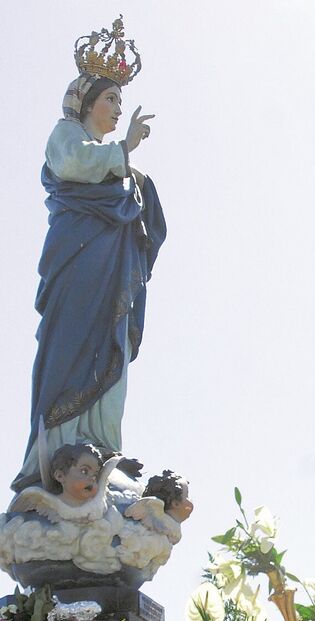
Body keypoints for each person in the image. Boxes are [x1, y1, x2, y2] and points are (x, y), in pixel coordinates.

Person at [12, 17, 167, 491]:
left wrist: (137, 182)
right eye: (110, 98)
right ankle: (61, 449)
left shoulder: (120, 167)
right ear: (85, 102)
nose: (118, 108)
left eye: (120, 99)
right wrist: (123, 154)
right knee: (73, 344)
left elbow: (139, 212)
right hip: (78, 264)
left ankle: (101, 449)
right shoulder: (66, 137)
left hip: (114, 272)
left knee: (110, 343)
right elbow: (74, 164)